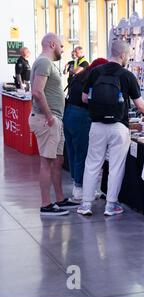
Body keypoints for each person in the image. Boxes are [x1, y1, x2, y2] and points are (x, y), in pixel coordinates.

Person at [77, 39, 144, 216]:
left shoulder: (95, 72)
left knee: (93, 163)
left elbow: (84, 98)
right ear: (123, 55)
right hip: (119, 127)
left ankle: (85, 204)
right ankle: (111, 206)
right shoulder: (127, 76)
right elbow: (140, 105)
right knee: (116, 166)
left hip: (96, 125)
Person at [29, 33, 79, 216]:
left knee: (58, 160)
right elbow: (37, 91)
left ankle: (59, 199)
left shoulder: (47, 64)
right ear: (52, 44)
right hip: (47, 120)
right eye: (61, 46)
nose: (63, 49)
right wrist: (49, 116)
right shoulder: (43, 62)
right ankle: (45, 205)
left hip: (55, 119)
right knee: (47, 162)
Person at [63, 57, 109, 204]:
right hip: (81, 116)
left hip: (68, 113)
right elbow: (88, 100)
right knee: (83, 153)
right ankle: (79, 189)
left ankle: (77, 185)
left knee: (73, 151)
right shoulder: (93, 79)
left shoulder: (80, 76)